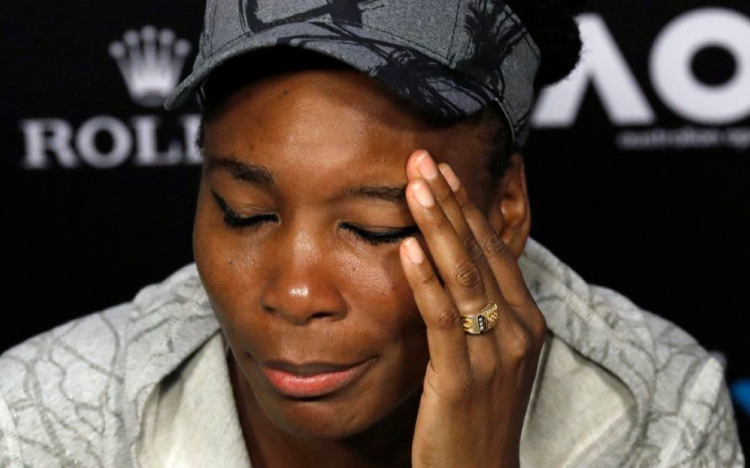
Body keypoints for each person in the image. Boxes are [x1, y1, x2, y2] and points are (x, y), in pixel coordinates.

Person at [0, 0, 744, 466]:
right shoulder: (46, 418)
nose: (296, 293)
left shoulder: (659, 417)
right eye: (244, 213)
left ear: (506, 210)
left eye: (375, 228)